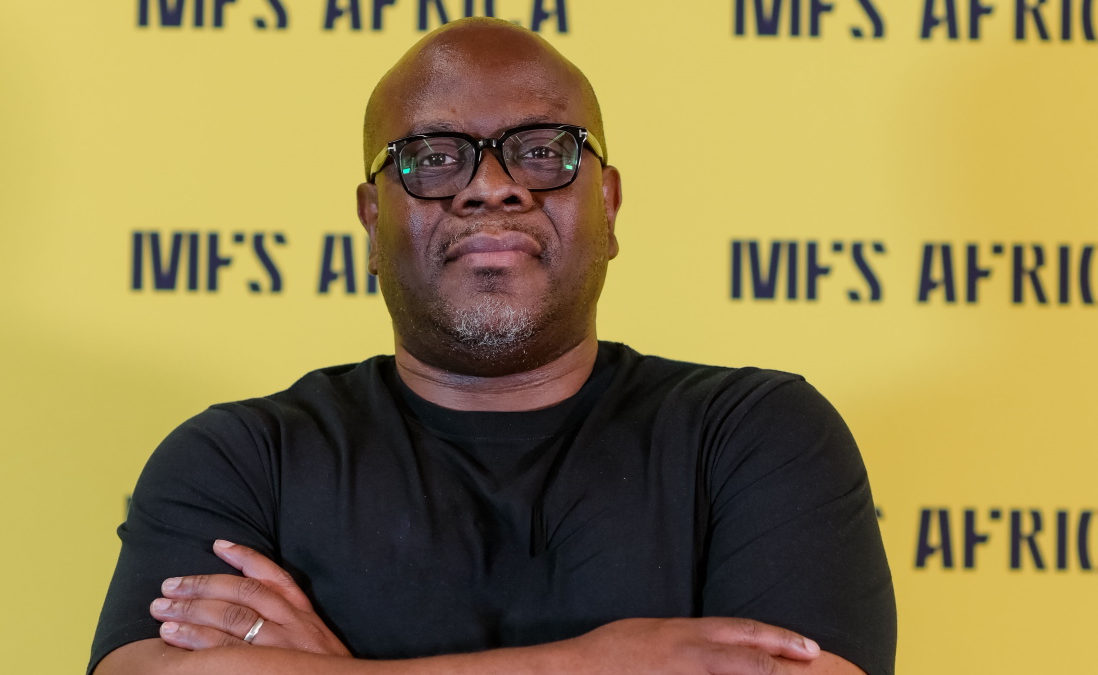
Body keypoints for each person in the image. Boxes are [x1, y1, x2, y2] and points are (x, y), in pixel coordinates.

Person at [90, 17, 896, 675]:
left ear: (609, 204)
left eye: (542, 151)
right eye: (434, 159)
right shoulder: (241, 460)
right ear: (371, 221)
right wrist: (599, 664)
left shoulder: (755, 436)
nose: (491, 185)